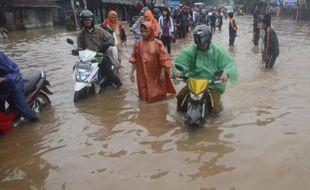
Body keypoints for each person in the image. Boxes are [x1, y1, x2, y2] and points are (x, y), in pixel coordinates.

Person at [173, 25, 238, 113]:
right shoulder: (191, 50)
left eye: (204, 43)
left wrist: (226, 73)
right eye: (199, 44)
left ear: (209, 40)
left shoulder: (217, 51)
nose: (202, 45)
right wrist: (178, 72)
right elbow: (181, 62)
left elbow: (229, 63)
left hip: (212, 84)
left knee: (216, 108)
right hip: (193, 83)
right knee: (180, 97)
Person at [129, 22, 176, 103]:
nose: (143, 33)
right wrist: (131, 72)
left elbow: (164, 59)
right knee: (144, 95)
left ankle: (159, 109)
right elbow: (134, 59)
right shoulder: (138, 44)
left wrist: (162, 74)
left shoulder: (158, 43)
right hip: (142, 73)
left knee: (158, 94)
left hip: (155, 73)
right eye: (142, 31)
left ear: (150, 31)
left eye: (145, 31)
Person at [77, 10, 122, 87]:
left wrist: (106, 44)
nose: (87, 22)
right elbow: (79, 47)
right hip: (87, 58)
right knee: (77, 69)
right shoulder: (81, 34)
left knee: (110, 75)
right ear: (82, 21)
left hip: (100, 56)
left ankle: (119, 84)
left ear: (92, 20)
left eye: (89, 20)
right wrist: (77, 51)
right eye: (85, 20)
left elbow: (111, 38)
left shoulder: (99, 30)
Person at [0, 52, 39, 122]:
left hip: (13, 81)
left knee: (24, 109)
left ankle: (37, 123)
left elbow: (13, 70)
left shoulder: (0, 58)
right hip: (2, 85)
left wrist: (5, 78)